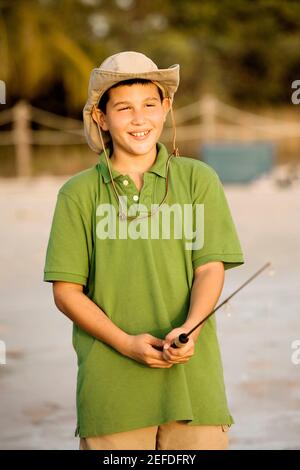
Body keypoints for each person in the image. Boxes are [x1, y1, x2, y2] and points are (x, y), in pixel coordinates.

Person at [43, 51, 244, 450]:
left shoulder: (198, 179)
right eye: (123, 108)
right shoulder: (78, 193)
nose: (139, 119)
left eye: (150, 105)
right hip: (111, 393)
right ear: (101, 118)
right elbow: (66, 292)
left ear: (166, 108)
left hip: (193, 389)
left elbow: (209, 268)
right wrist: (125, 343)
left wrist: (190, 329)